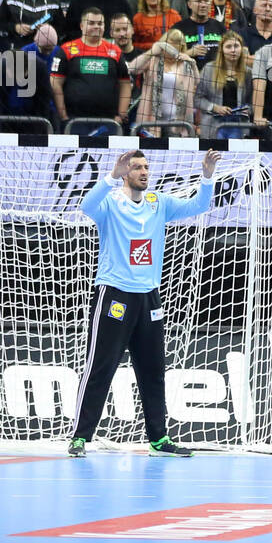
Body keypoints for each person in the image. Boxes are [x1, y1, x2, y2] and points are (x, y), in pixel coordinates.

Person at [68, 147, 222, 458]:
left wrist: (206, 175)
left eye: (146, 167)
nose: (143, 172)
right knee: (101, 366)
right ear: (126, 172)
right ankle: (80, 437)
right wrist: (111, 175)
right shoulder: (111, 203)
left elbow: (199, 205)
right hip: (114, 293)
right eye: (137, 167)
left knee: (153, 370)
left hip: (149, 296)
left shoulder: (158, 203)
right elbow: (86, 205)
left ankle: (159, 439)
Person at [50, 7, 133, 129]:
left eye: (100, 23)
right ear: (82, 26)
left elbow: (125, 84)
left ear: (104, 27)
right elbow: (55, 83)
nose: (96, 26)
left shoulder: (115, 51)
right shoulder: (66, 50)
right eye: (91, 23)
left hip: (109, 121)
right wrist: (63, 116)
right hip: (74, 120)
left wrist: (121, 115)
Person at [130, 29, 199, 135]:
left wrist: (193, 64)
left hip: (176, 122)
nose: (173, 50)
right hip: (151, 119)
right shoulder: (153, 61)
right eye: (170, 46)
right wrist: (151, 52)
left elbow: (197, 82)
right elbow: (132, 68)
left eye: (177, 46)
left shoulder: (184, 63)